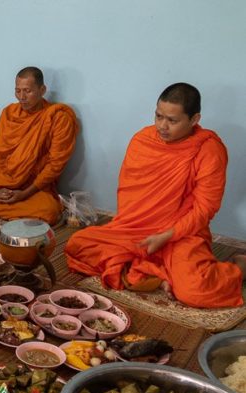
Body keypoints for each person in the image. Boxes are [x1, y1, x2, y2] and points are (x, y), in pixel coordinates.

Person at [65, 83, 245, 308]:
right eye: (158, 116)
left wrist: (168, 235)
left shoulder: (208, 149)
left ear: (194, 119)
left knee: (195, 291)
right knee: (77, 244)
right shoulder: (143, 140)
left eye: (172, 120)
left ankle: (239, 265)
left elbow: (204, 209)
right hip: (136, 228)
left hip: (182, 232)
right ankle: (157, 272)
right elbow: (130, 198)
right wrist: (134, 231)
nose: (162, 126)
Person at [0, 67, 78, 224]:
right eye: (18, 91)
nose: (22, 97)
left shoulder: (58, 118)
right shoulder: (9, 113)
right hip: (0, 178)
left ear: (42, 90)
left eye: (27, 91)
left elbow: (55, 165)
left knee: (49, 211)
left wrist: (24, 194)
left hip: (33, 185)